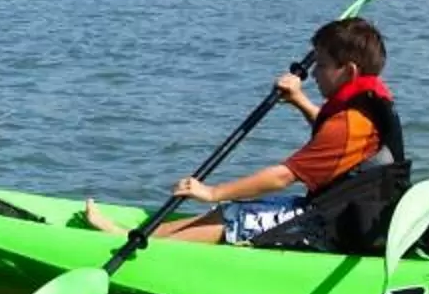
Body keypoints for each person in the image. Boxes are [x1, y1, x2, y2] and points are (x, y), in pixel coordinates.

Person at [82, 18, 405, 250]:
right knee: (229, 211)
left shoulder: (350, 122)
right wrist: (299, 101)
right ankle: (136, 235)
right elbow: (336, 143)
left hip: (339, 228)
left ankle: (143, 251)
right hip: (345, 213)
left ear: (348, 72)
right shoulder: (361, 113)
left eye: (321, 65)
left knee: (234, 213)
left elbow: (282, 176)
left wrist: (213, 191)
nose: (315, 74)